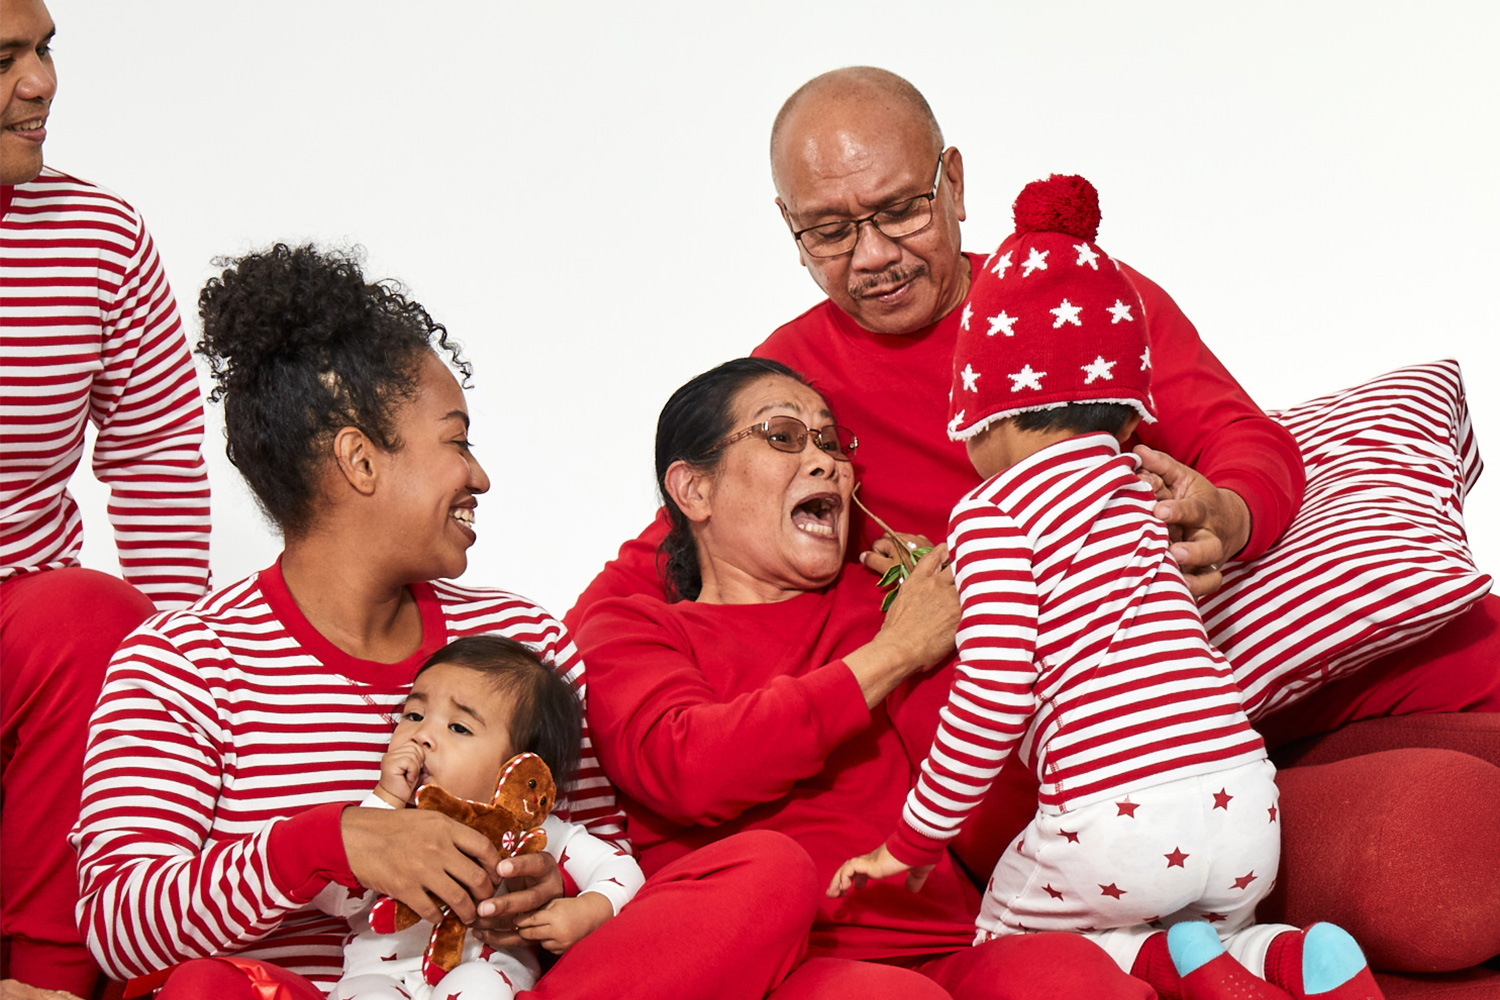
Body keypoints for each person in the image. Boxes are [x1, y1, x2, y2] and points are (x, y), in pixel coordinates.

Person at [568, 66, 1500, 974]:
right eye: (828, 231)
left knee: (1454, 813)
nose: (873, 256)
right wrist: (518, 674)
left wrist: (1228, 514)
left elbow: (1241, 436)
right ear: (790, 231)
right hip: (1041, 804)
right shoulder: (794, 387)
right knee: (1435, 862)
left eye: (900, 210)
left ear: (957, 181)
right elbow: (679, 552)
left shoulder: (1069, 296)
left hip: (1202, 713)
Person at [69, 245, 818, 1000]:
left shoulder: (528, 642)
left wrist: (546, 895)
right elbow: (117, 921)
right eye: (456, 440)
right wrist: (334, 844)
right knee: (204, 990)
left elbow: (609, 868)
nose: (479, 475)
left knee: (767, 873)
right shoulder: (181, 663)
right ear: (360, 461)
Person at [830, 175, 1381, 1000]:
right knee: (1221, 928)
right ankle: (1297, 960)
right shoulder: (1140, 485)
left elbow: (994, 697)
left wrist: (909, 845)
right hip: (1242, 803)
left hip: (1114, 824)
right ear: (1125, 413)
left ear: (984, 414)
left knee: (1003, 945)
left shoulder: (989, 514)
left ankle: (1160, 966)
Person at [579, 357, 1160, 1000]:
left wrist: (985, 602)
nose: (826, 461)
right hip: (780, 965)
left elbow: (1006, 766)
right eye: (783, 436)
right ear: (694, 491)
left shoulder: (894, 599)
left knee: (1080, 981)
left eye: (831, 441)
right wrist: (899, 651)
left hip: (949, 947)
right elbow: (688, 766)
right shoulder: (632, 629)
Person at [0, 1, 209, 994]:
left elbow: (158, 450)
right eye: (5, 59)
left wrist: (182, 688)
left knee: (100, 623)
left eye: (44, 52)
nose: (40, 84)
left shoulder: (98, 233)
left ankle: (43, 979)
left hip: (25, 632)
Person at [328, 636, 644, 1000]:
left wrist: (590, 911)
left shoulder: (531, 833)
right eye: (414, 715)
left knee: (479, 986)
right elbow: (334, 898)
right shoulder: (384, 819)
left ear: (522, 764)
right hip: (377, 976)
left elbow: (620, 868)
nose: (422, 735)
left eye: (459, 727)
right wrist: (384, 801)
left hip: (483, 971)